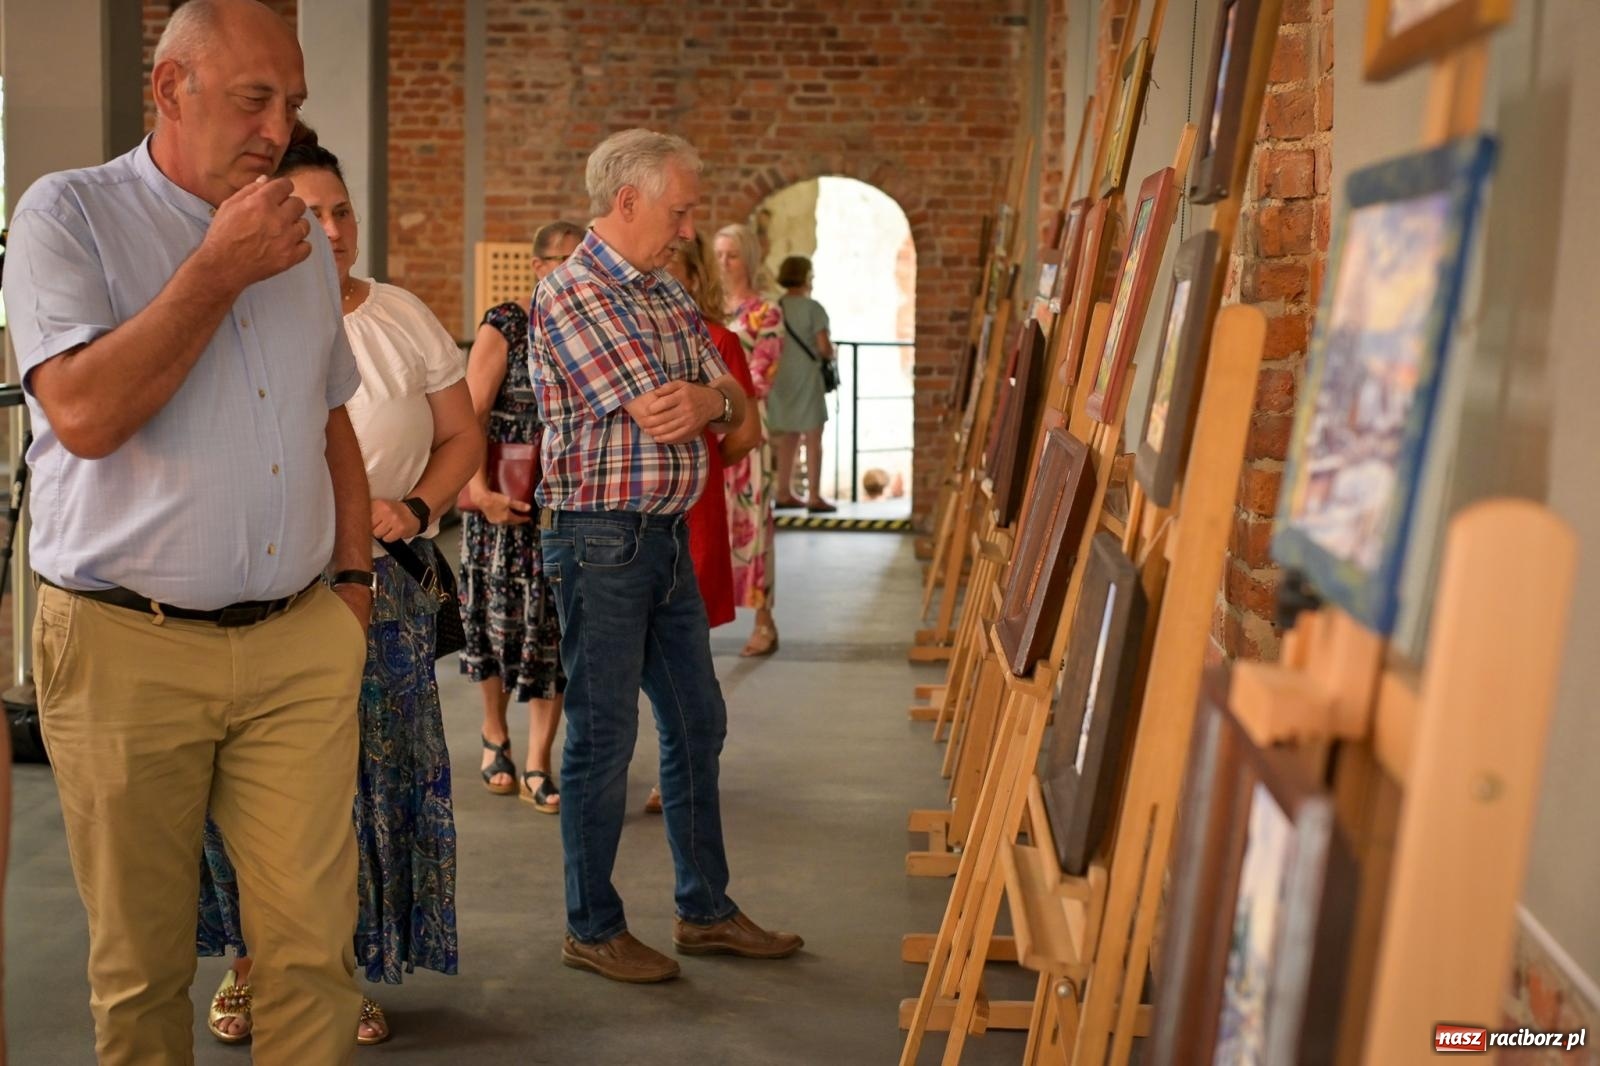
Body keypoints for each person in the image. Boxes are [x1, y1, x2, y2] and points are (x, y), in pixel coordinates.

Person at [1, 2, 372, 1061]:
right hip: (125, 642)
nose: (279, 126)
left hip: (298, 637)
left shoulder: (295, 238)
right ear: (170, 90)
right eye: (255, 98)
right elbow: (84, 415)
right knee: (144, 968)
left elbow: (329, 416)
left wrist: (349, 589)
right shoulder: (65, 215)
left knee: (311, 953)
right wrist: (216, 267)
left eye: (292, 103)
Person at [196, 127, 481, 1046]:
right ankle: (252, 964)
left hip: (383, 590)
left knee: (368, 777)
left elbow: (461, 434)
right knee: (257, 782)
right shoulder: (239, 311)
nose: (332, 227)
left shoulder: (397, 314)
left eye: (342, 210)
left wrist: (422, 503)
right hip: (265, 583)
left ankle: (335, 971)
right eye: (310, 212)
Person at [532, 128, 802, 983]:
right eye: (680, 210)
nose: (688, 228)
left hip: (665, 536)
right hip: (602, 540)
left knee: (697, 722)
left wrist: (711, 396)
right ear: (628, 201)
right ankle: (592, 925)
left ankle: (704, 909)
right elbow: (664, 408)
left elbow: (726, 398)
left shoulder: (662, 296)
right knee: (604, 737)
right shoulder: (571, 295)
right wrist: (708, 397)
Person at [460, 219, 585, 813]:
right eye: (561, 260)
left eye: (581, 260)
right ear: (537, 267)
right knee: (492, 622)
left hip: (560, 510)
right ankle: (494, 734)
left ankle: (539, 758)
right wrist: (478, 493)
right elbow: (468, 414)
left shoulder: (591, 331)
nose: (571, 271)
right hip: (499, 507)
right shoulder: (508, 323)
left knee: (551, 635)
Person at [643, 231, 761, 815]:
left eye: (674, 264)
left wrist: (703, 463)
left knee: (684, 660)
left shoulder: (718, 340)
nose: (662, 273)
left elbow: (746, 433)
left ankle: (678, 774)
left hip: (694, 515)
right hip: (629, 519)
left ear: (694, 278)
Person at [714, 223, 784, 658]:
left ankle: (763, 619)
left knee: (753, 523)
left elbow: (763, 373)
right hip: (705, 428)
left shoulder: (766, 312)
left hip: (747, 427)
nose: (723, 262)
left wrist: (717, 398)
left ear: (749, 259)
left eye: (733, 254)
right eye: (719, 253)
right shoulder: (705, 308)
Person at [769, 255, 837, 513]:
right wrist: (832, 353)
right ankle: (814, 496)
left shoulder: (775, 307)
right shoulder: (813, 308)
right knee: (813, 437)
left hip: (781, 377)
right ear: (807, 276)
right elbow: (824, 348)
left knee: (788, 436)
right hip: (807, 377)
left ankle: (783, 491)